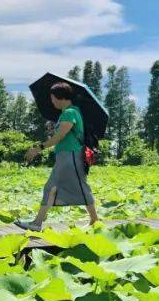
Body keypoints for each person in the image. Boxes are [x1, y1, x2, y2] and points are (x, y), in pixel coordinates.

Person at [15, 82, 98, 231]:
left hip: (71, 156)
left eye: (53, 98)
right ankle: (37, 223)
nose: (52, 101)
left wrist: (38, 148)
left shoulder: (70, 113)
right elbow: (61, 134)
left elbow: (60, 137)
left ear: (61, 98)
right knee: (52, 188)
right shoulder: (68, 113)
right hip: (65, 156)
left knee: (78, 186)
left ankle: (95, 220)